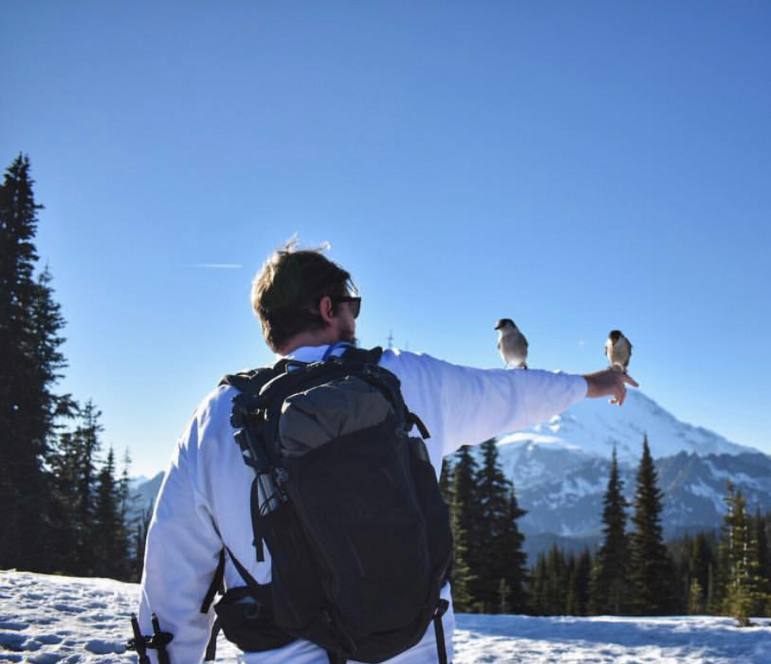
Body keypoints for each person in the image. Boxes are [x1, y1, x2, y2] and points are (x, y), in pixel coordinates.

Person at [137, 243, 638, 664]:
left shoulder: (219, 417)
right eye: (352, 302)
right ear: (329, 309)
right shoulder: (406, 378)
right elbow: (514, 395)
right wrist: (596, 383)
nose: (356, 313)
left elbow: (172, 580)